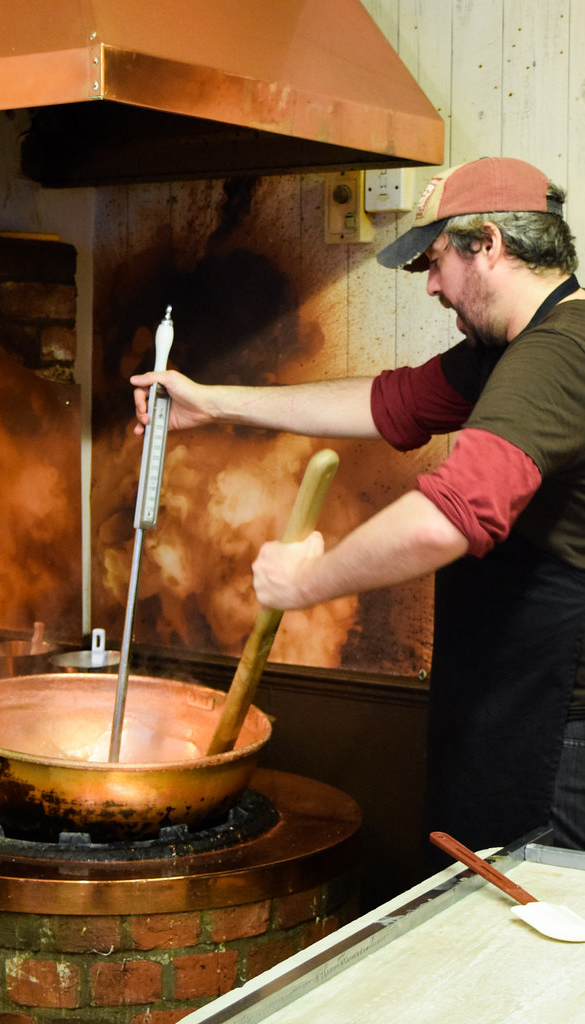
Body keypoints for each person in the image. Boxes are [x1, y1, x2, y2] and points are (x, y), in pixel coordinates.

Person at [132, 156, 585, 857]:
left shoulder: (555, 355)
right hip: (513, 705)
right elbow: (386, 402)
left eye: (436, 260)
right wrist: (213, 403)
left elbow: (447, 518)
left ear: (489, 245)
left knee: (521, 918)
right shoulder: (510, 349)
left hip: (555, 736)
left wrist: (305, 583)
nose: (431, 285)